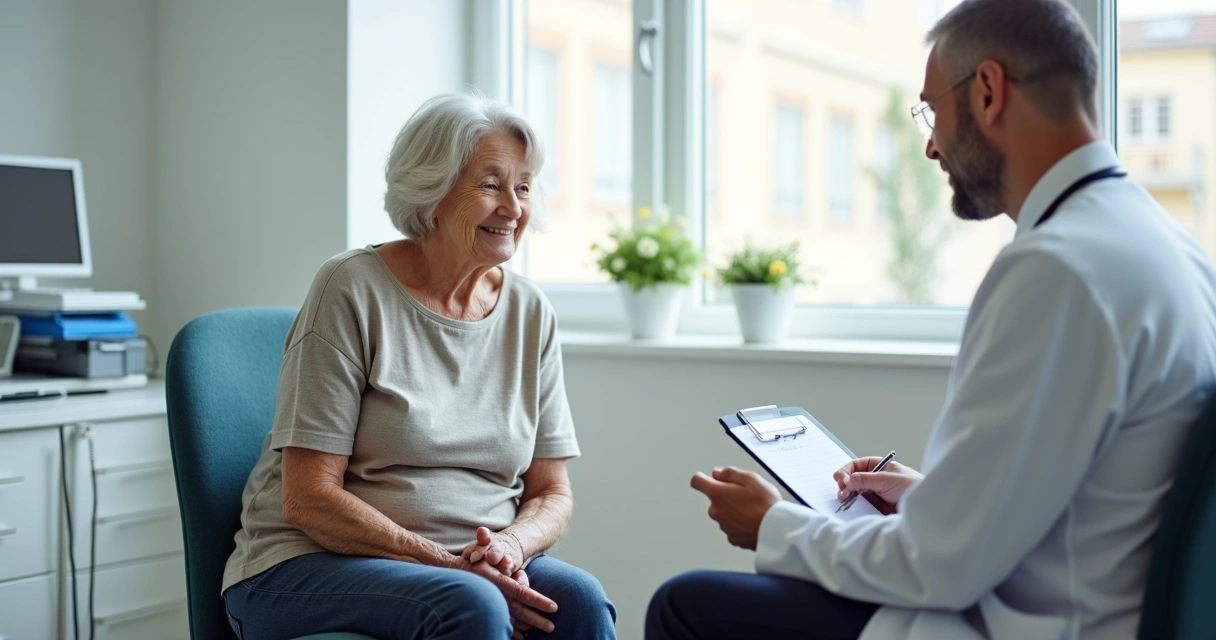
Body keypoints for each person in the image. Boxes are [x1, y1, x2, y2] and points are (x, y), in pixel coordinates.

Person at [647, 1, 1216, 639]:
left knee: (686, 605)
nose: (929, 145)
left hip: (1025, 626)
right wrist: (932, 499)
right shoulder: (1169, 248)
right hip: (1095, 605)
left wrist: (774, 525)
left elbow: (941, 566)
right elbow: (1086, 497)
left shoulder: (1055, 270)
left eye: (932, 110)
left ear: (989, 91)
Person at [221, 93, 616, 640]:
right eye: (491, 185)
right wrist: (450, 566)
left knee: (581, 603)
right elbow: (307, 498)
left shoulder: (530, 312)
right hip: (306, 565)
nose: (514, 207)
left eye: (524, 187)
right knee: (472, 604)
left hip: (471, 564)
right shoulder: (351, 288)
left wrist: (509, 547)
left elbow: (552, 492)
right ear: (432, 190)